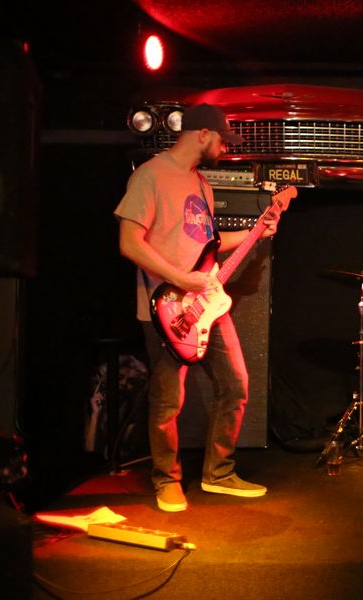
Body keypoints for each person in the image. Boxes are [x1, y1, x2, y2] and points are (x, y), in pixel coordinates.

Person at [114, 104, 279, 512]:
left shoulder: (202, 184)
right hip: (167, 309)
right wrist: (180, 278)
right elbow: (129, 243)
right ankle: (166, 479)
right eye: (223, 140)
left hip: (207, 304)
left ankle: (218, 473)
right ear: (203, 134)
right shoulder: (151, 175)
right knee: (168, 399)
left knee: (236, 384)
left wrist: (256, 231)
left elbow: (206, 242)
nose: (226, 148)